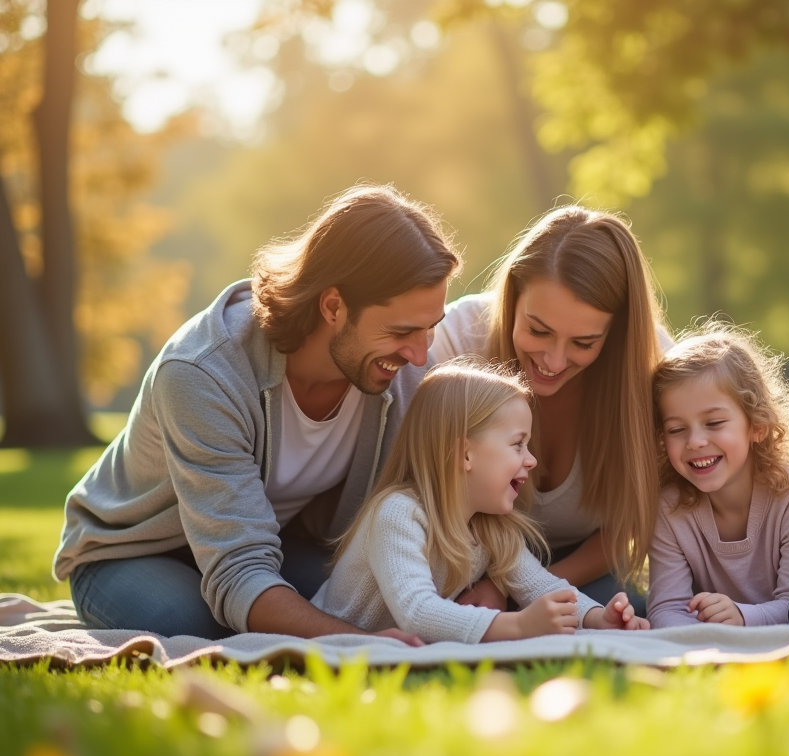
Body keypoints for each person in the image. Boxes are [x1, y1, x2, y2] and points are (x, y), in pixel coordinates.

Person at [54, 184, 460, 640]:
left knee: (375, 599)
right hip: (137, 550)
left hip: (270, 543)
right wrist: (353, 643)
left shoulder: (397, 367)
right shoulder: (202, 372)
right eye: (403, 330)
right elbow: (238, 569)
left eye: (431, 328)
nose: (421, 355)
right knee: (193, 625)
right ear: (332, 306)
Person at [430, 206, 669, 612]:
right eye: (538, 330)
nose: (554, 362)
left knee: (627, 614)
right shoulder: (455, 339)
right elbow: (420, 486)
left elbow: (629, 523)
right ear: (513, 298)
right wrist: (487, 580)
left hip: (582, 565)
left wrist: (518, 587)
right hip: (460, 558)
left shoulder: (653, 369)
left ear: (614, 334)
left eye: (583, 343)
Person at [312, 359, 648, 642]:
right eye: (518, 444)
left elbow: (540, 586)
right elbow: (417, 611)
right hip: (336, 639)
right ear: (466, 453)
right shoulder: (399, 514)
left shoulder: (489, 526)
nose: (530, 460)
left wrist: (595, 618)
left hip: (395, 646)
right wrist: (517, 625)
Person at [645, 323, 789, 628]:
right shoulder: (669, 508)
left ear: (756, 425)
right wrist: (701, 644)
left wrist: (743, 616)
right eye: (677, 429)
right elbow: (666, 609)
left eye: (714, 423)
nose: (695, 441)